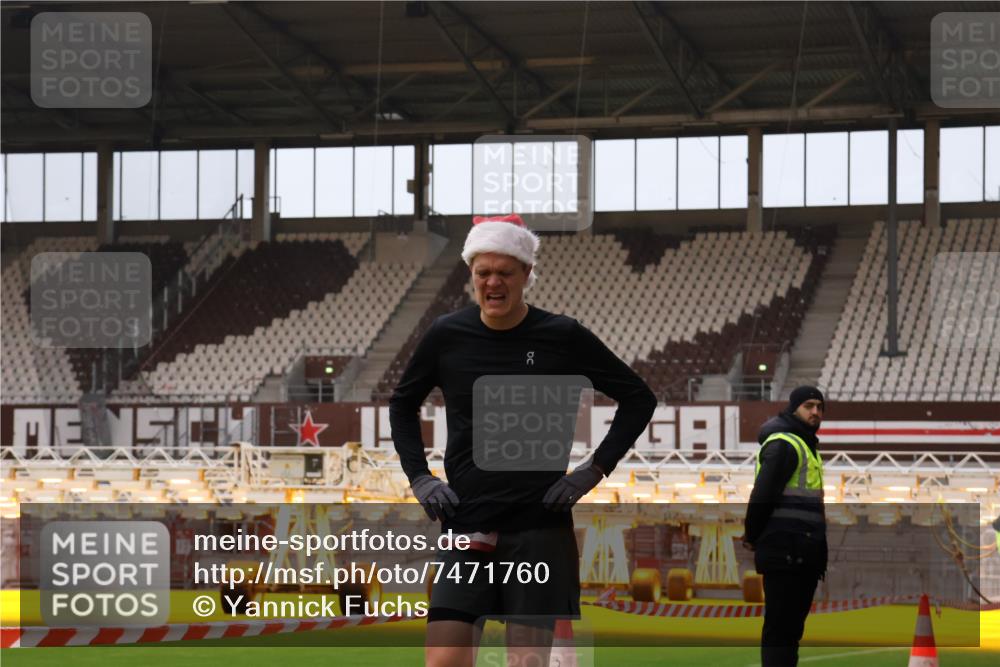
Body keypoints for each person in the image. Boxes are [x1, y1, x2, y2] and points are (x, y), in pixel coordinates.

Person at [390, 214, 657, 667]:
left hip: (540, 530)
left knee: (527, 662)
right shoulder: (446, 335)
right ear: (471, 275)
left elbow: (638, 397)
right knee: (442, 662)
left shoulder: (562, 335)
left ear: (527, 275)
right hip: (466, 526)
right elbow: (401, 403)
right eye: (483, 273)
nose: (493, 283)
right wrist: (419, 477)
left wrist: (593, 470)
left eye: (505, 273)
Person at [743, 386, 828, 667]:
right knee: (781, 632)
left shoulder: (806, 446)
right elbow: (762, 495)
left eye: (819, 407)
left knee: (789, 632)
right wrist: (752, 535)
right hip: (786, 552)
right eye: (809, 406)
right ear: (794, 409)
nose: (816, 412)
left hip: (802, 554)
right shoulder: (785, 445)